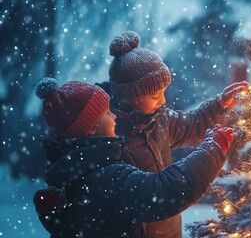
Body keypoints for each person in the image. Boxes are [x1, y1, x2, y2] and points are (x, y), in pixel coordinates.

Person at [33, 77, 234, 238]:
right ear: (91, 127)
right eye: (107, 112)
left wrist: (218, 107)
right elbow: (163, 191)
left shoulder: (79, 169)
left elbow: (189, 125)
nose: (114, 116)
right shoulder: (105, 176)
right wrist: (211, 150)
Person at [98, 30, 248, 238]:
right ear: (130, 96)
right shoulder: (113, 138)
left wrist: (219, 105)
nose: (163, 101)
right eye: (155, 95)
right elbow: (154, 194)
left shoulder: (159, 120)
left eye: (164, 92)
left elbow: (192, 125)